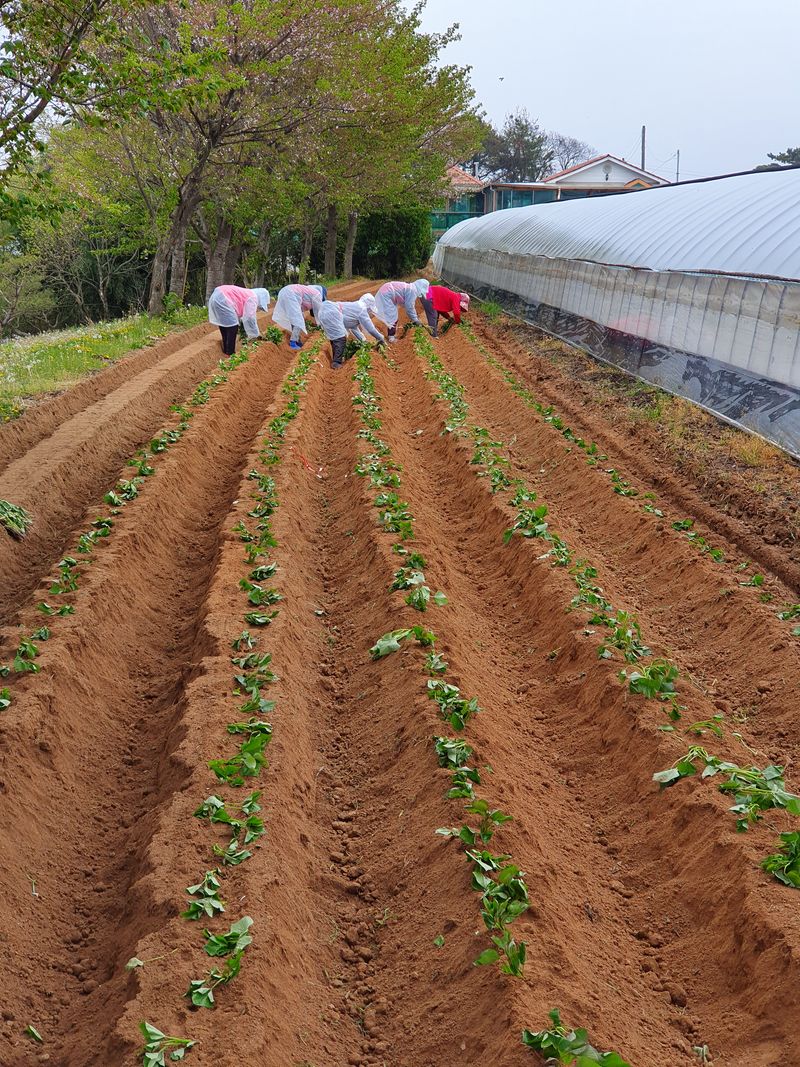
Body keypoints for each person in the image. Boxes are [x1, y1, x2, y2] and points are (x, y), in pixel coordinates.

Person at [208, 285, 270, 355]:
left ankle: (226, 350)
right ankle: (230, 352)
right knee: (233, 326)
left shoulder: (247, 293)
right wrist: (255, 335)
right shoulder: (253, 297)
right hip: (223, 298)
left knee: (225, 324)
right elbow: (249, 318)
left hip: (216, 296)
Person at [271, 283, 326, 349]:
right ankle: (293, 342)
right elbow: (319, 313)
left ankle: (297, 340)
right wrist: (323, 327)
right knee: (298, 320)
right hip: (290, 293)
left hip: (284, 292)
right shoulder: (317, 294)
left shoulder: (309, 291)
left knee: (295, 318)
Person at [315, 300, 348, 368]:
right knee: (340, 341)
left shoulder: (328, 308)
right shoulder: (336, 309)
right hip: (333, 325)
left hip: (326, 322)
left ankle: (335, 358)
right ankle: (336, 362)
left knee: (334, 342)